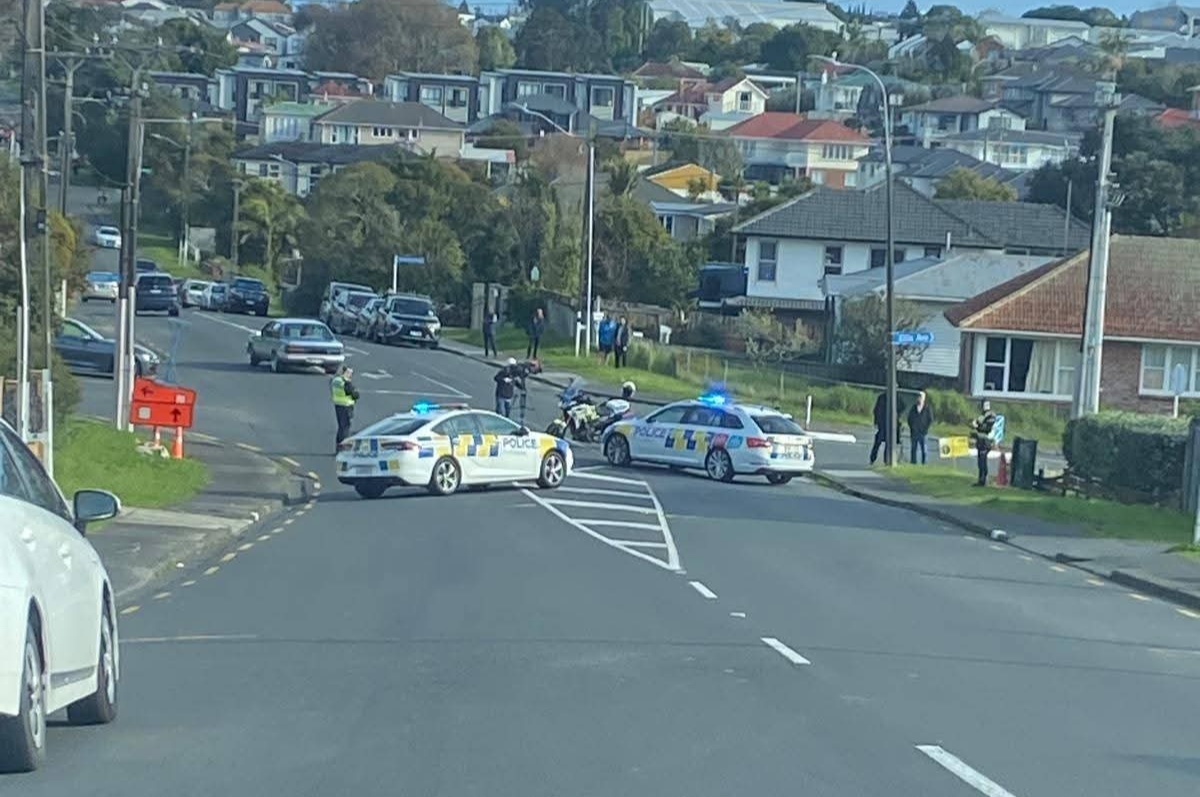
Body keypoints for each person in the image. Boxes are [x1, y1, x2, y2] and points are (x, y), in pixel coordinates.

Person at [869, 391, 905, 465]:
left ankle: (887, 460)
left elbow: (902, 407)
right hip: (882, 424)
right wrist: (876, 421)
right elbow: (876, 410)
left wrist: (898, 416)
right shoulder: (882, 398)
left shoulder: (897, 398)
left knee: (889, 443)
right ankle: (872, 458)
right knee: (878, 441)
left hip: (892, 425)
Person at [330, 364, 359, 453]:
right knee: (345, 428)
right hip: (346, 406)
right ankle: (343, 447)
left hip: (338, 405)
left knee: (341, 427)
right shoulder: (345, 382)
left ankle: (339, 447)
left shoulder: (335, 380)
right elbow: (354, 394)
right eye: (349, 373)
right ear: (344, 372)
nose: (350, 375)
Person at [970, 400, 998, 486]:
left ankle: (983, 480)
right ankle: (981, 479)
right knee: (980, 461)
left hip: (986, 441)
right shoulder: (983, 415)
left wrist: (977, 426)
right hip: (981, 440)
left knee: (982, 460)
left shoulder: (991, 416)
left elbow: (986, 428)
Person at [907, 390, 933, 465]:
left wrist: (925, 429)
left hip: (923, 433)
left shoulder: (927, 408)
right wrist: (912, 427)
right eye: (918, 397)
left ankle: (924, 463)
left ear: (924, 398)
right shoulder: (913, 408)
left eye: (921, 397)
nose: (919, 398)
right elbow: (909, 419)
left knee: (924, 449)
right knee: (913, 449)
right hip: (914, 432)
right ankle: (913, 462)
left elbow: (930, 419)